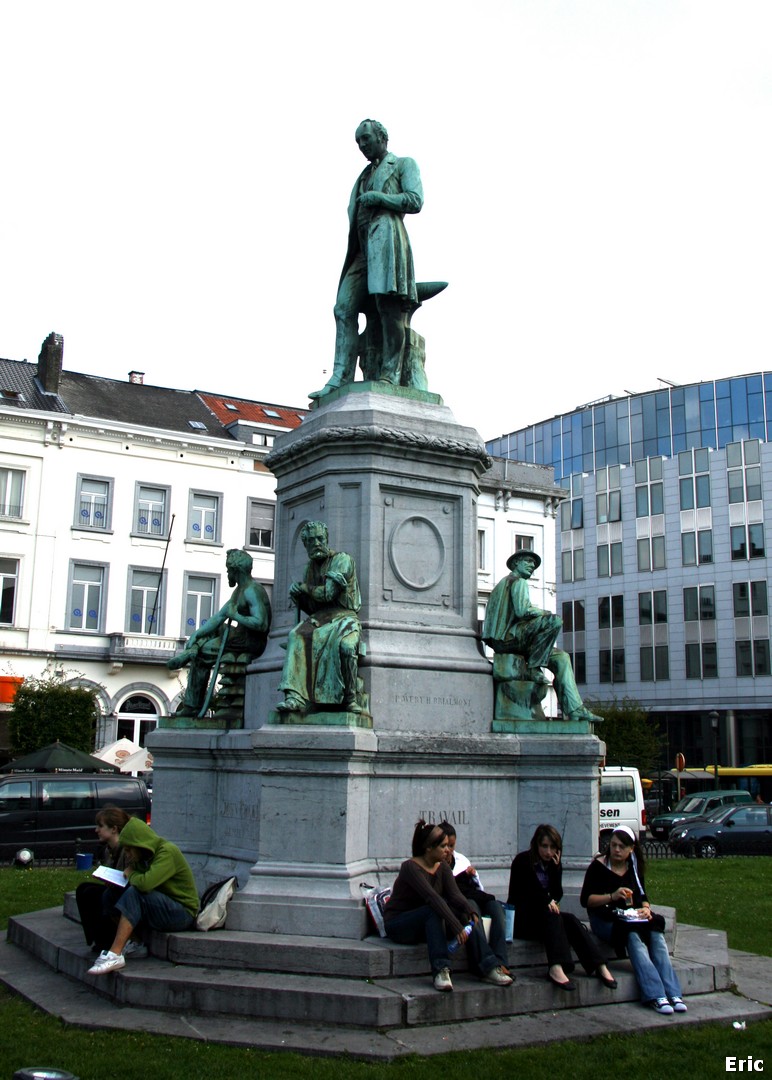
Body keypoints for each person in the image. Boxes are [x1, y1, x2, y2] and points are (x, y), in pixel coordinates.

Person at [310, 119, 423, 399]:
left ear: (382, 137)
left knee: (388, 308)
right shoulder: (362, 175)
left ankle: (390, 372)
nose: (362, 146)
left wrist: (380, 198)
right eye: (358, 142)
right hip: (361, 250)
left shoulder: (403, 164)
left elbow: (415, 200)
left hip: (387, 243)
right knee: (343, 308)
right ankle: (340, 376)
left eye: (366, 139)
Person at [383, 820, 513, 992]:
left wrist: (470, 911)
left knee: (463, 913)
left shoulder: (442, 867)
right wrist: (455, 926)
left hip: (427, 923)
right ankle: (441, 970)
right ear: (429, 848)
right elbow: (432, 898)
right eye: (443, 846)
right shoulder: (410, 867)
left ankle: (488, 967)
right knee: (434, 910)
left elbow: (455, 895)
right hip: (400, 923)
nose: (448, 850)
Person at [580, 825, 687, 1015]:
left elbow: (642, 895)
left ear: (631, 849)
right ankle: (655, 994)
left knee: (656, 935)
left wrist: (645, 908)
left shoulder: (634, 868)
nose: (616, 850)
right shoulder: (598, 867)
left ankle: (673, 992)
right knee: (633, 938)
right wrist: (612, 896)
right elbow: (586, 900)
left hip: (631, 916)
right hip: (606, 919)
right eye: (613, 845)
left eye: (622, 846)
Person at [482, 550, 600, 722]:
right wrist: (544, 613)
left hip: (510, 640)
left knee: (562, 658)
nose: (532, 567)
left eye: (534, 564)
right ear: (516, 563)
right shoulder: (518, 582)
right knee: (554, 621)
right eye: (529, 562)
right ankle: (534, 667)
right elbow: (523, 611)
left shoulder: (502, 584)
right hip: (510, 639)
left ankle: (574, 709)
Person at [507, 824, 616, 991]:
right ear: (536, 845)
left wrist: (556, 871)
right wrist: (545, 900)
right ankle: (556, 967)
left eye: (552, 847)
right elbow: (527, 891)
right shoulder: (522, 861)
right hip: (523, 919)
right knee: (552, 915)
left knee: (570, 920)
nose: (548, 852)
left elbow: (557, 895)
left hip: (545, 919)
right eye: (544, 846)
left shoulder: (553, 864)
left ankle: (598, 964)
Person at [87, 818, 199, 976]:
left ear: (140, 845)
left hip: (182, 912)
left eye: (129, 850)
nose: (128, 855)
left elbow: (145, 883)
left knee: (135, 894)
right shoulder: (143, 857)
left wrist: (132, 874)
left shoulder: (167, 852)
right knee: (110, 896)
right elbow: (140, 878)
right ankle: (136, 943)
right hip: (160, 905)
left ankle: (115, 954)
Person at [168, 548, 271, 717]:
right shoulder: (239, 590)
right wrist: (197, 634)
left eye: (228, 570)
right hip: (240, 636)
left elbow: (261, 624)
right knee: (216, 628)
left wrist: (236, 615)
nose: (227, 572)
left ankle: (192, 706)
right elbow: (219, 617)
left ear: (235, 571)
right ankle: (192, 649)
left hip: (251, 641)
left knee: (201, 657)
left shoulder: (252, 591)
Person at [276, 521, 363, 714]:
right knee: (295, 635)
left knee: (347, 646)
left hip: (344, 617)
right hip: (321, 618)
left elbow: (328, 594)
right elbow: (314, 606)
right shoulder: (310, 568)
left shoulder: (342, 560)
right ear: (305, 545)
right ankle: (294, 697)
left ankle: (349, 699)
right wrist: (299, 597)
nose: (316, 543)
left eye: (320, 539)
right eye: (311, 541)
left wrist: (305, 589)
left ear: (327, 539)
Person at [438, 821, 512, 980]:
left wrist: (473, 876)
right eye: (445, 846)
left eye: (452, 846)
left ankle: (501, 960)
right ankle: (485, 963)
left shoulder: (461, 860)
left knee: (495, 907)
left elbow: (479, 889)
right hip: (460, 905)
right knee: (471, 909)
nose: (449, 850)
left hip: (475, 897)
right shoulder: (437, 864)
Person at [75, 805, 134, 954]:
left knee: (92, 894)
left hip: (125, 893)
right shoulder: (109, 849)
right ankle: (94, 938)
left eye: (101, 826)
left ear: (113, 829)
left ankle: (105, 940)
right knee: (83, 888)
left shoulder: (127, 850)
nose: (97, 830)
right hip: (116, 888)